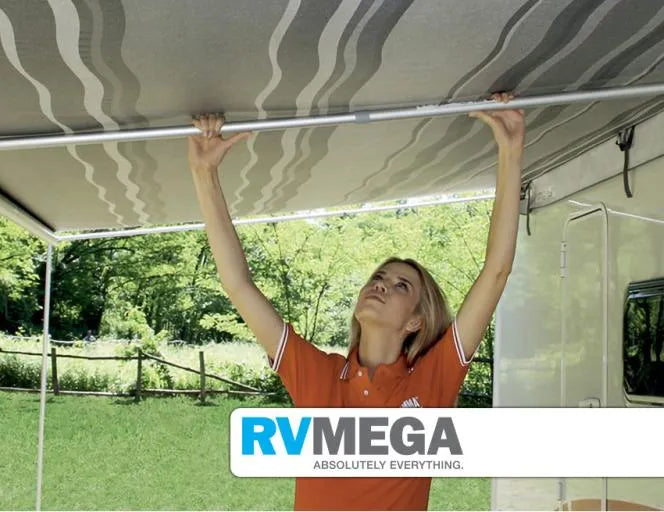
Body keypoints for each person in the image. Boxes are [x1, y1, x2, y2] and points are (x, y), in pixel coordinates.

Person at [187, 94, 525, 511]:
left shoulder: (431, 382)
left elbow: (496, 272)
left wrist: (510, 149)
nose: (381, 285)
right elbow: (238, 285)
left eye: (401, 286)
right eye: (378, 278)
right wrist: (204, 172)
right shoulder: (319, 376)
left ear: (416, 322)